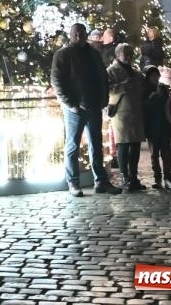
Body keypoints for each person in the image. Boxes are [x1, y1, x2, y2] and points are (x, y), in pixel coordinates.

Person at [50, 22, 120, 197]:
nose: (79, 37)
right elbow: (57, 80)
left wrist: (103, 99)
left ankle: (101, 181)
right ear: (71, 35)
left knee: (96, 145)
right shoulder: (63, 55)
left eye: (82, 33)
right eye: (76, 34)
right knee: (73, 145)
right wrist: (70, 103)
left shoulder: (93, 54)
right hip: (75, 108)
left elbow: (102, 76)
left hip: (94, 105)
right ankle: (73, 182)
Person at [106, 43, 147, 192]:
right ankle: (125, 177)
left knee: (135, 146)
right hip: (121, 113)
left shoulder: (136, 73)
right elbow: (107, 89)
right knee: (123, 145)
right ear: (118, 55)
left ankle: (133, 176)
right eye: (125, 54)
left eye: (130, 53)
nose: (129, 56)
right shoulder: (111, 71)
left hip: (135, 112)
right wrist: (122, 86)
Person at [143, 66, 171, 190]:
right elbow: (143, 108)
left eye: (156, 75)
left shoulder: (163, 89)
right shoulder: (144, 90)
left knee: (166, 154)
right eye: (151, 75)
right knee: (154, 155)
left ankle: (168, 177)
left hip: (164, 126)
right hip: (151, 127)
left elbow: (169, 106)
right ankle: (157, 178)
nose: (154, 78)